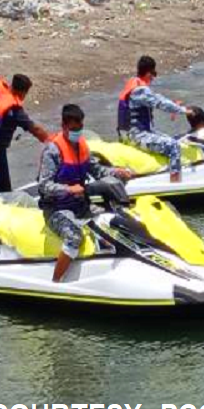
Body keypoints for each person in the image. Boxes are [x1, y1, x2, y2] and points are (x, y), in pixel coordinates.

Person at [40, 104, 132, 283]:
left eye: (80, 128)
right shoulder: (53, 151)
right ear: (64, 126)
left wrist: (116, 172)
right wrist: (68, 189)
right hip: (56, 210)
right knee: (74, 236)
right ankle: (56, 281)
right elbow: (44, 186)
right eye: (74, 129)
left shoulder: (82, 146)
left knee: (112, 219)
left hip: (80, 205)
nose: (77, 132)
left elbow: (97, 171)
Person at [117, 56, 193, 183]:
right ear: (148, 73)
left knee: (171, 139)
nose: (154, 77)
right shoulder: (140, 90)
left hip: (128, 134)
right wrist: (183, 110)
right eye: (154, 73)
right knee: (173, 146)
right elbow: (160, 102)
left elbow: (157, 97)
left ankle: (164, 172)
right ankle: (175, 184)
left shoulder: (133, 82)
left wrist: (175, 106)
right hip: (136, 136)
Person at [0, 69, 49, 194]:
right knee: (1, 189)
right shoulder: (14, 110)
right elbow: (35, 129)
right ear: (22, 92)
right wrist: (50, 141)